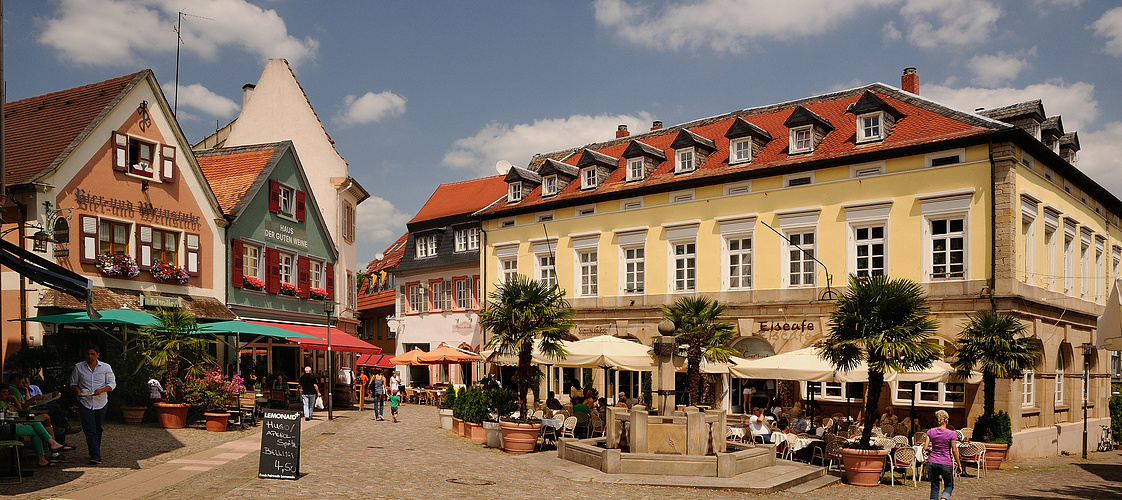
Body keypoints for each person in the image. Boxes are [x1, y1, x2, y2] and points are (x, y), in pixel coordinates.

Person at [0, 385, 73, 466]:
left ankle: (45, 455)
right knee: (36, 426)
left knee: (37, 425)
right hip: (5, 426)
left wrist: (14, 399)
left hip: (14, 423)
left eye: (7, 392)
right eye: (4, 392)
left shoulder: (6, 402)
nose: (6, 394)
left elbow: (20, 409)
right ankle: (49, 446)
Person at [69, 346, 115, 465]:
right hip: (85, 402)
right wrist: (77, 390)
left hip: (101, 402)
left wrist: (102, 390)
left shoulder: (105, 367)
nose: (90, 356)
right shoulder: (79, 367)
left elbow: (112, 383)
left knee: (98, 428)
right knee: (89, 429)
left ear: (98, 355)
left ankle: (95, 449)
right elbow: (73, 382)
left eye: (92, 354)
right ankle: (95, 455)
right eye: (88, 354)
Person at [925, 409, 961, 500]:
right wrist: (959, 464)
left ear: (936, 420)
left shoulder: (930, 432)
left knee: (934, 487)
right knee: (949, 485)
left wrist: (930, 453)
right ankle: (944, 499)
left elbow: (925, 447)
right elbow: (954, 450)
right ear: (946, 420)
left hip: (932, 461)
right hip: (946, 462)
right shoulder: (952, 434)